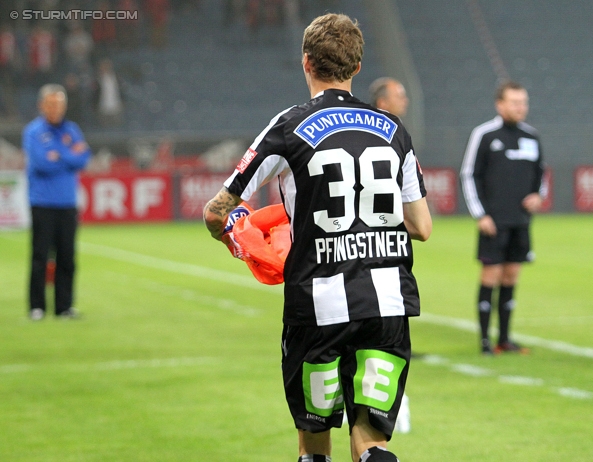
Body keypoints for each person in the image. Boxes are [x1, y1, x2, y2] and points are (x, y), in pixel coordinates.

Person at [204, 13, 432, 462]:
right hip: (387, 305)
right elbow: (422, 227)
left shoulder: (289, 126)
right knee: (373, 443)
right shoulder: (395, 131)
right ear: (358, 68)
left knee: (314, 444)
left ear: (306, 62)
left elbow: (216, 211)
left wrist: (241, 242)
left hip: (318, 306)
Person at [460, 80, 545, 355]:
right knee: (491, 276)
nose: (521, 107)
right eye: (515, 102)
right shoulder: (485, 134)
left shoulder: (532, 136)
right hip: (493, 222)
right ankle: (485, 341)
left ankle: (505, 339)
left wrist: (537, 195)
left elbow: (540, 175)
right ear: (500, 104)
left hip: (520, 221)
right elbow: (469, 174)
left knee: (511, 276)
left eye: (524, 102)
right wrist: (480, 214)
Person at [23, 84, 92, 321]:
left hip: (67, 202)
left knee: (67, 257)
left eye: (59, 105)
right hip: (42, 202)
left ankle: (64, 307)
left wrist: (58, 153)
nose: (56, 109)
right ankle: (37, 307)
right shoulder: (33, 131)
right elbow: (42, 163)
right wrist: (68, 154)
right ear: (42, 105)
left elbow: (83, 158)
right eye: (51, 104)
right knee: (40, 256)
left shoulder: (71, 129)